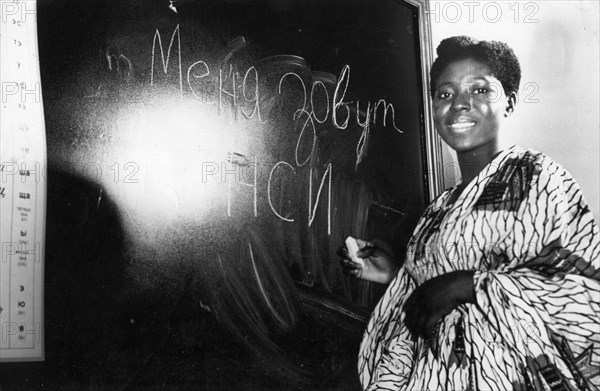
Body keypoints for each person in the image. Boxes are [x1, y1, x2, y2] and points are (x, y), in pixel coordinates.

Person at [340, 36, 600, 390]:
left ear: (509, 102)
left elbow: (581, 294)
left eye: (479, 90)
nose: (460, 104)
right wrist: (396, 277)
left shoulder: (538, 177)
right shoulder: (438, 210)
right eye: (445, 94)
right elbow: (430, 305)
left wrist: (467, 286)